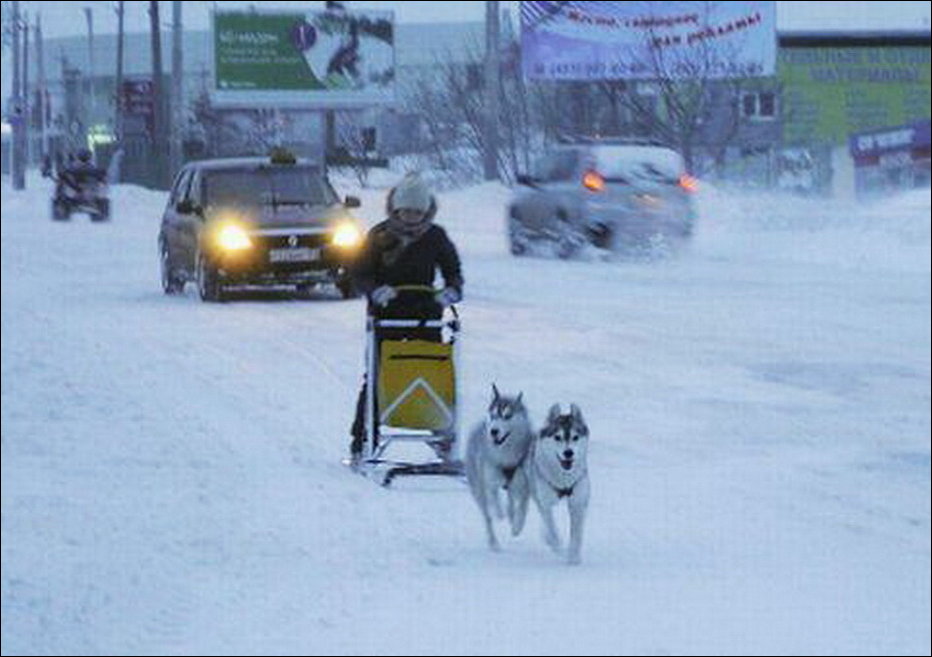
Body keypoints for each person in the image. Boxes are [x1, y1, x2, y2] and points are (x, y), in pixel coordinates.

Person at [348, 173, 464, 461]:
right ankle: (363, 437)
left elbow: (453, 270)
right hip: (386, 317)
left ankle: (441, 434)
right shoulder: (379, 236)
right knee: (377, 375)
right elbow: (359, 273)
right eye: (406, 211)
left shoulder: (435, 237)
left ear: (426, 211)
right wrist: (375, 291)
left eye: (417, 212)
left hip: (426, 316)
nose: (412, 218)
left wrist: (451, 291)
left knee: (432, 372)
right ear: (396, 209)